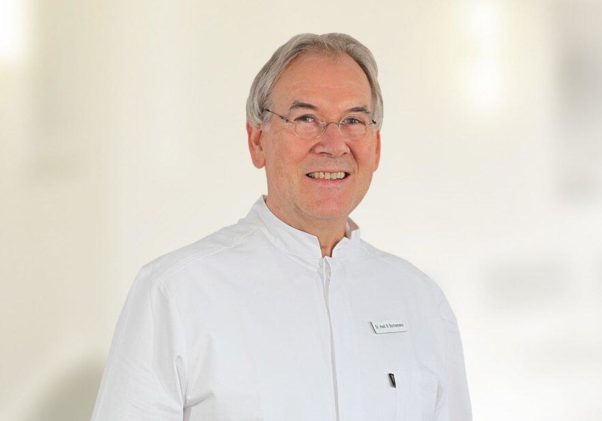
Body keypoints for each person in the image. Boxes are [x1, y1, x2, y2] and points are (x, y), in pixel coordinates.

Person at [91, 33, 472, 421]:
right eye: (306, 119)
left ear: (376, 147)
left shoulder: (421, 302)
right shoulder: (176, 292)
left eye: (353, 121)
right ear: (257, 140)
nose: (333, 144)